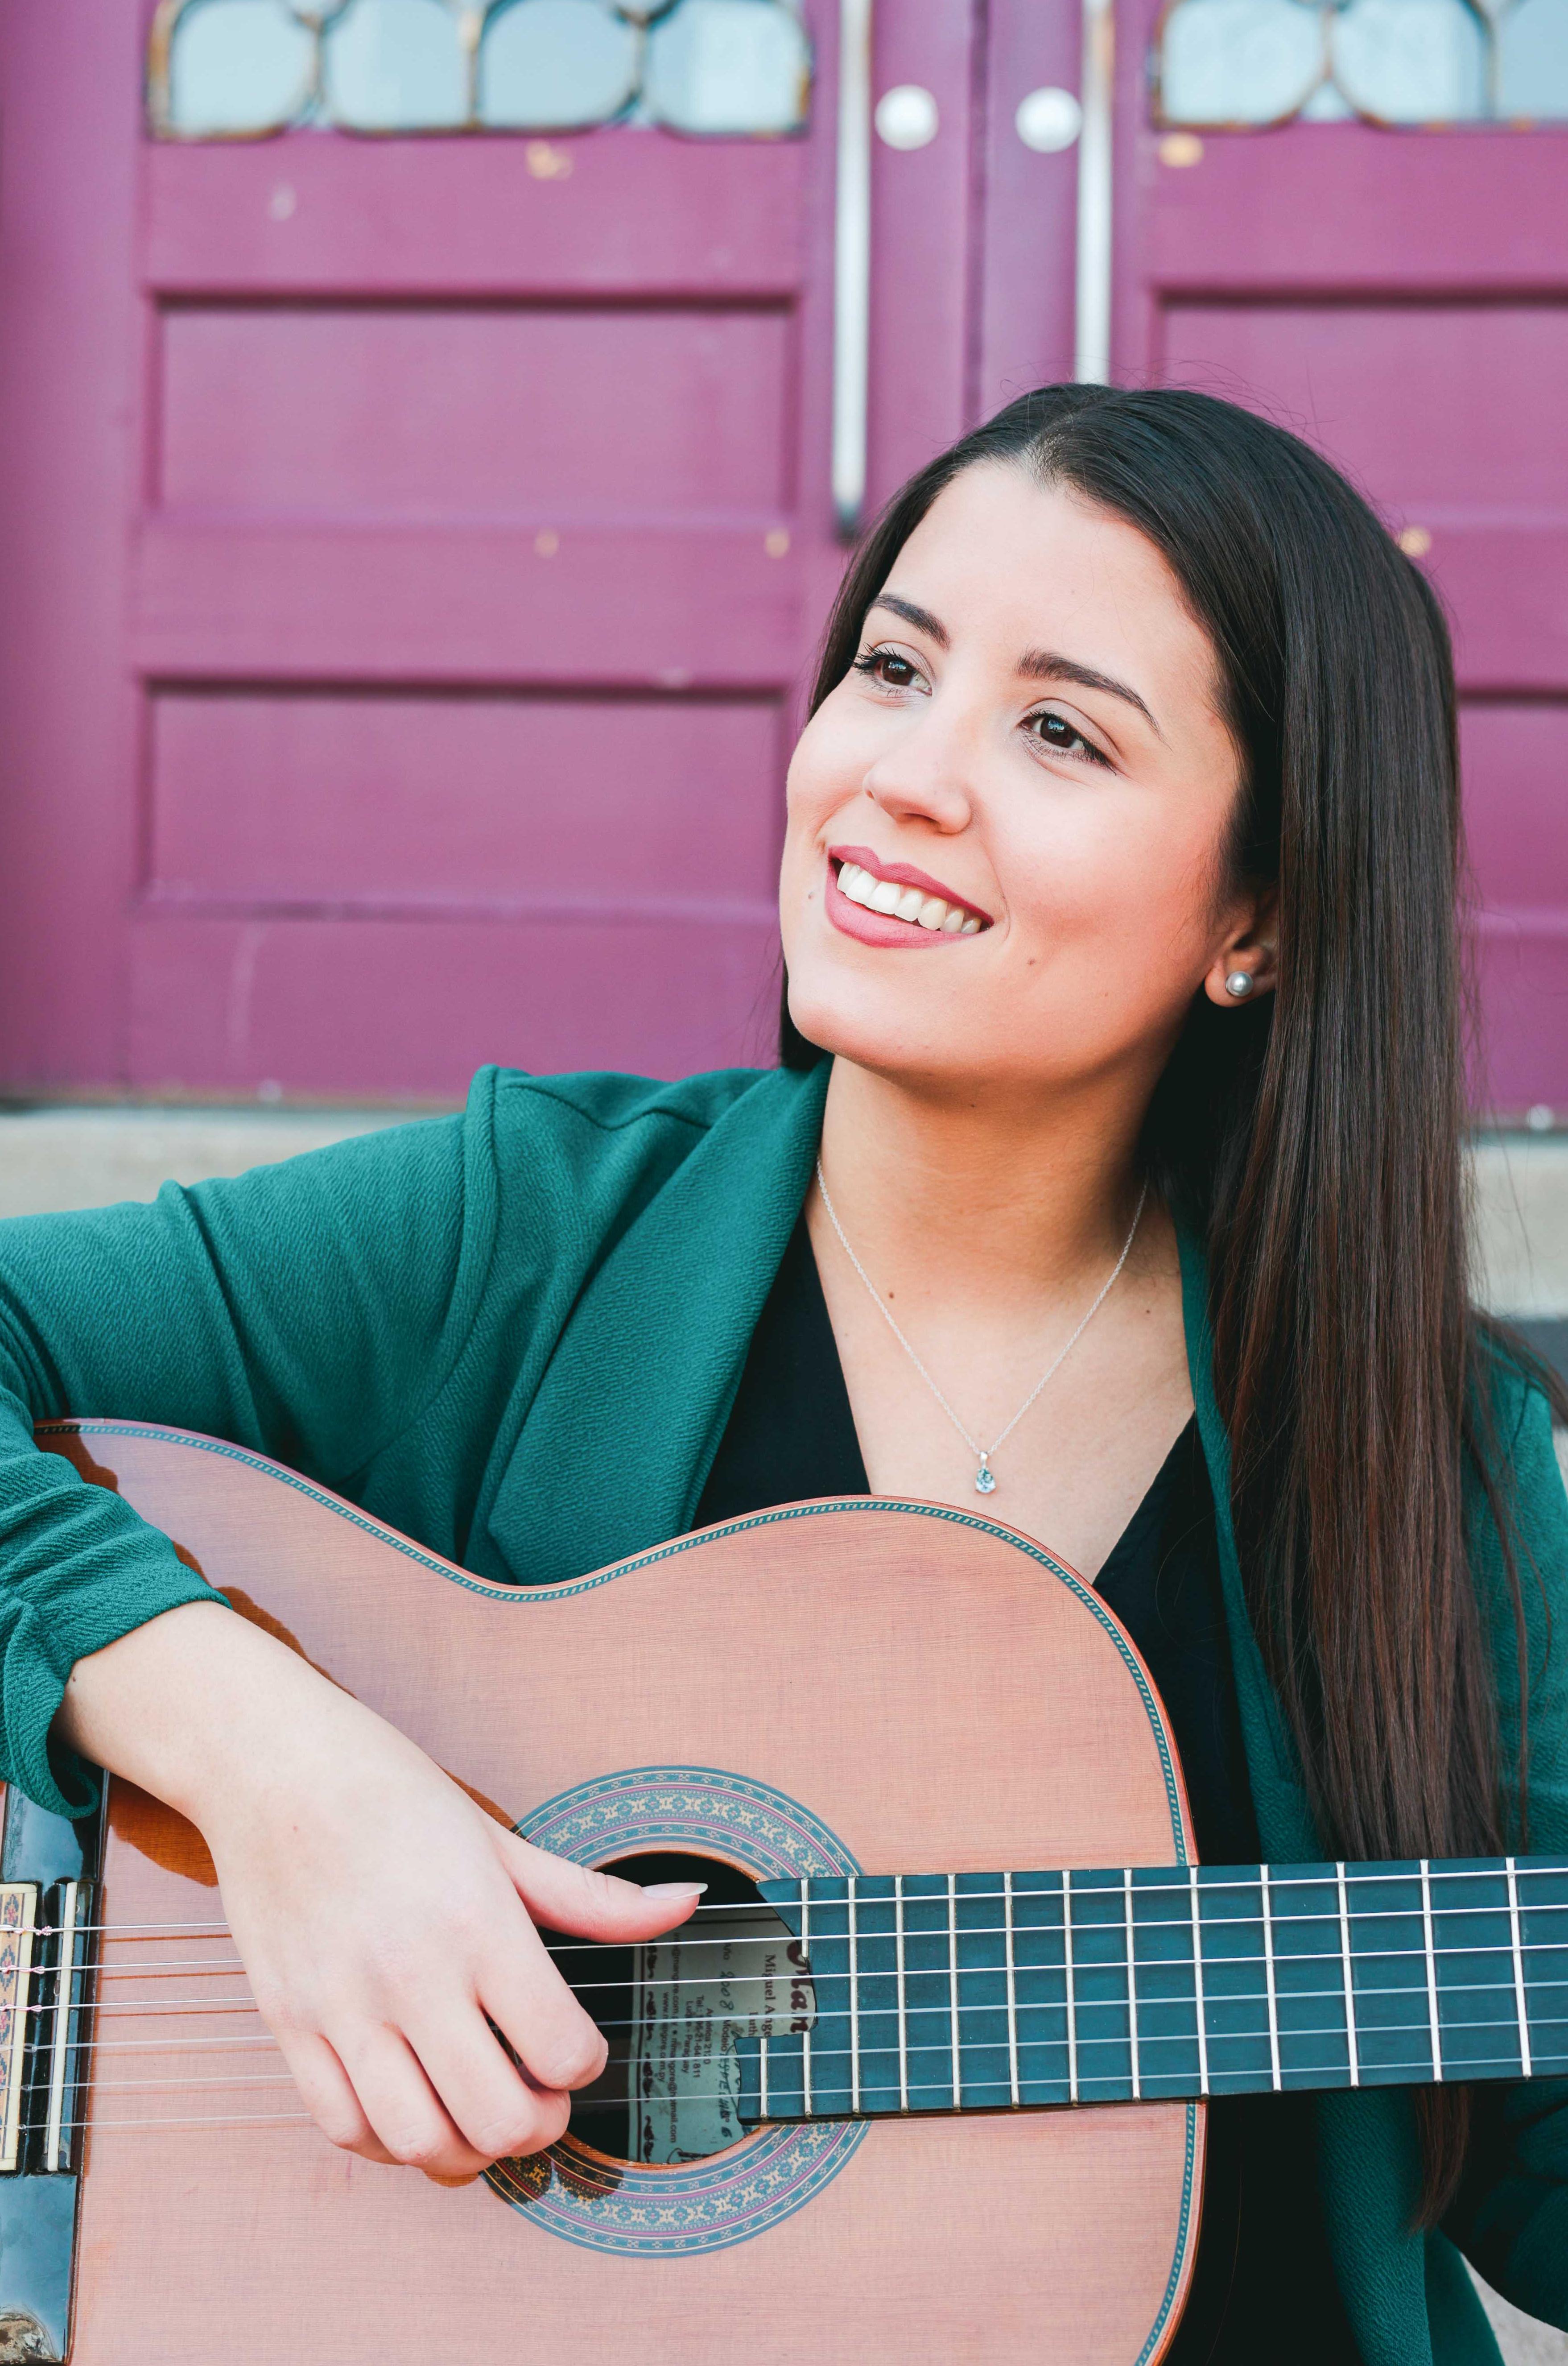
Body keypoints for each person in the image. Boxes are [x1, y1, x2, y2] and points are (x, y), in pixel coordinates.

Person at [0, 385, 1561, 2360]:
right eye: (892, 667)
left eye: (1059, 729)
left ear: (1260, 916)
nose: (903, 775)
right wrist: (286, 1772)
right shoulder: (535, 1230)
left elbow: (1540, 2160)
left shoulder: (1449, 1468)